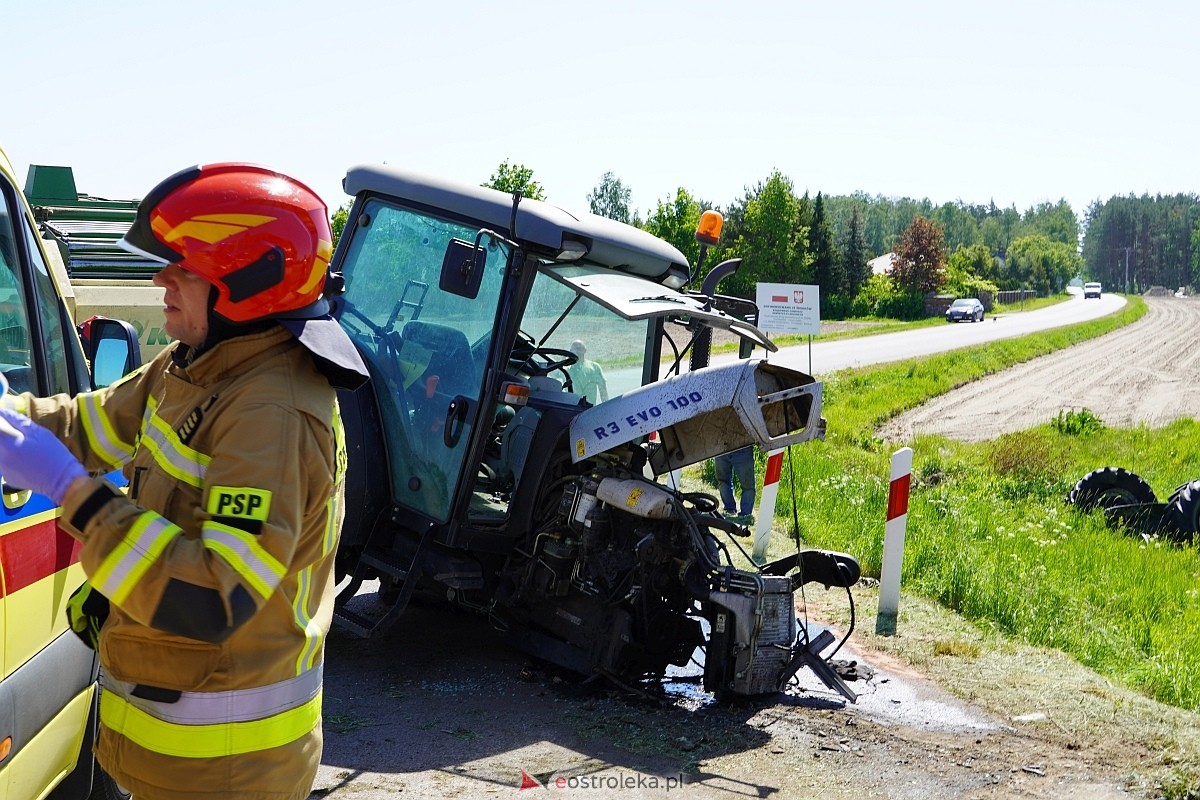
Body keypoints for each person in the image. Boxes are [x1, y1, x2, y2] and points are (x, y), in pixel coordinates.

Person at [0, 163, 368, 799]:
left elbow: (211, 597)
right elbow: (92, 425)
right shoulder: (196, 363)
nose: (159, 279)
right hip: (171, 761)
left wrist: (75, 495)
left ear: (244, 283)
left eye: (182, 267)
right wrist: (10, 417)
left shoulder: (270, 413)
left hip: (228, 773)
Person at [714, 446, 756, 523]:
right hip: (721, 446)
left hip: (743, 447)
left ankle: (745, 515)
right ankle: (729, 510)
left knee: (748, 485)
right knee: (723, 481)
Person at [567, 339, 608, 404]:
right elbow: (553, 374)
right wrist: (564, 359)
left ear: (584, 350)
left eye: (578, 348)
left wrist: (606, 408)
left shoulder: (595, 367)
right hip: (572, 408)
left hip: (590, 409)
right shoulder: (566, 370)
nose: (576, 351)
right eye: (573, 349)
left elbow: (603, 391)